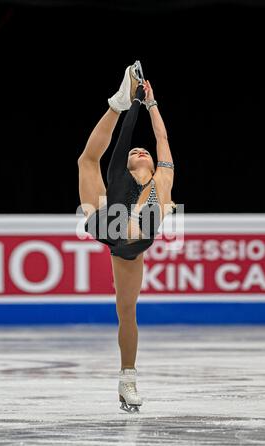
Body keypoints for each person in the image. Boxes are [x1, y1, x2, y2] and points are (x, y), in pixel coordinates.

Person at [78, 61, 175, 412]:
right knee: (88, 162)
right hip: (110, 224)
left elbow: (161, 138)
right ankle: (118, 103)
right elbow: (112, 153)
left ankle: (127, 379)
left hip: (134, 243)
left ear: (150, 162)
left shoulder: (163, 180)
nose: (140, 150)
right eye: (136, 151)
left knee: (127, 310)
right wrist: (137, 102)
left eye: (142, 151)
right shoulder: (120, 175)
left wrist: (152, 104)